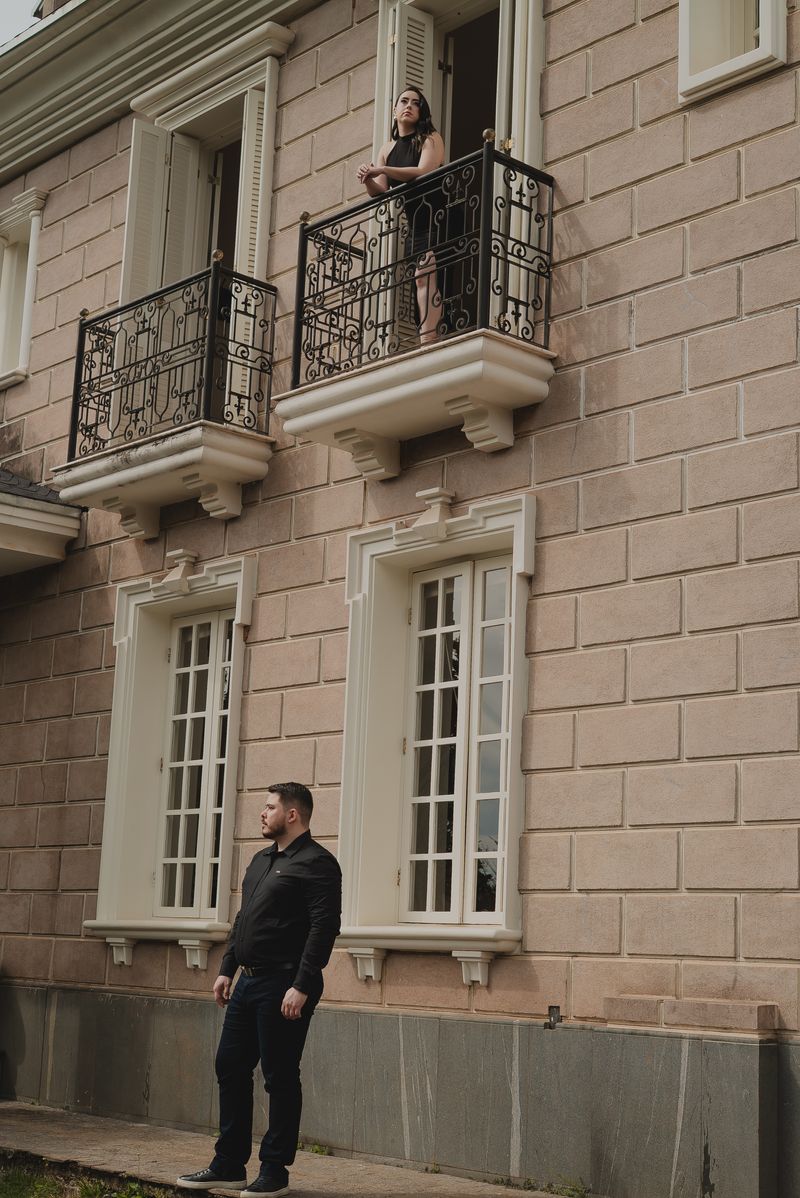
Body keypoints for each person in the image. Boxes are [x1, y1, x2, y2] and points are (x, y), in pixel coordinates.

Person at [177, 782, 342, 1198]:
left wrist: (302, 984)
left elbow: (324, 928)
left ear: (292, 814)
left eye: (270, 807)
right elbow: (244, 918)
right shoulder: (261, 860)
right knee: (230, 1065)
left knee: (279, 1075)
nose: (262, 813)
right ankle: (229, 1164)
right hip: (247, 981)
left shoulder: (318, 863)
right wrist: (227, 968)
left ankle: (274, 1170)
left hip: (284, 983)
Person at [357, 86, 446, 344]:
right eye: (404, 101)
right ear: (394, 110)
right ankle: (428, 336)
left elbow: (423, 170)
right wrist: (367, 178)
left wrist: (382, 169)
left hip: (438, 214)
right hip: (415, 222)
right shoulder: (387, 149)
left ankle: (428, 339)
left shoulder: (430, 138)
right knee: (420, 280)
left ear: (422, 112)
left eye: (416, 103)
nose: (409, 106)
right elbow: (380, 191)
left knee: (425, 275)